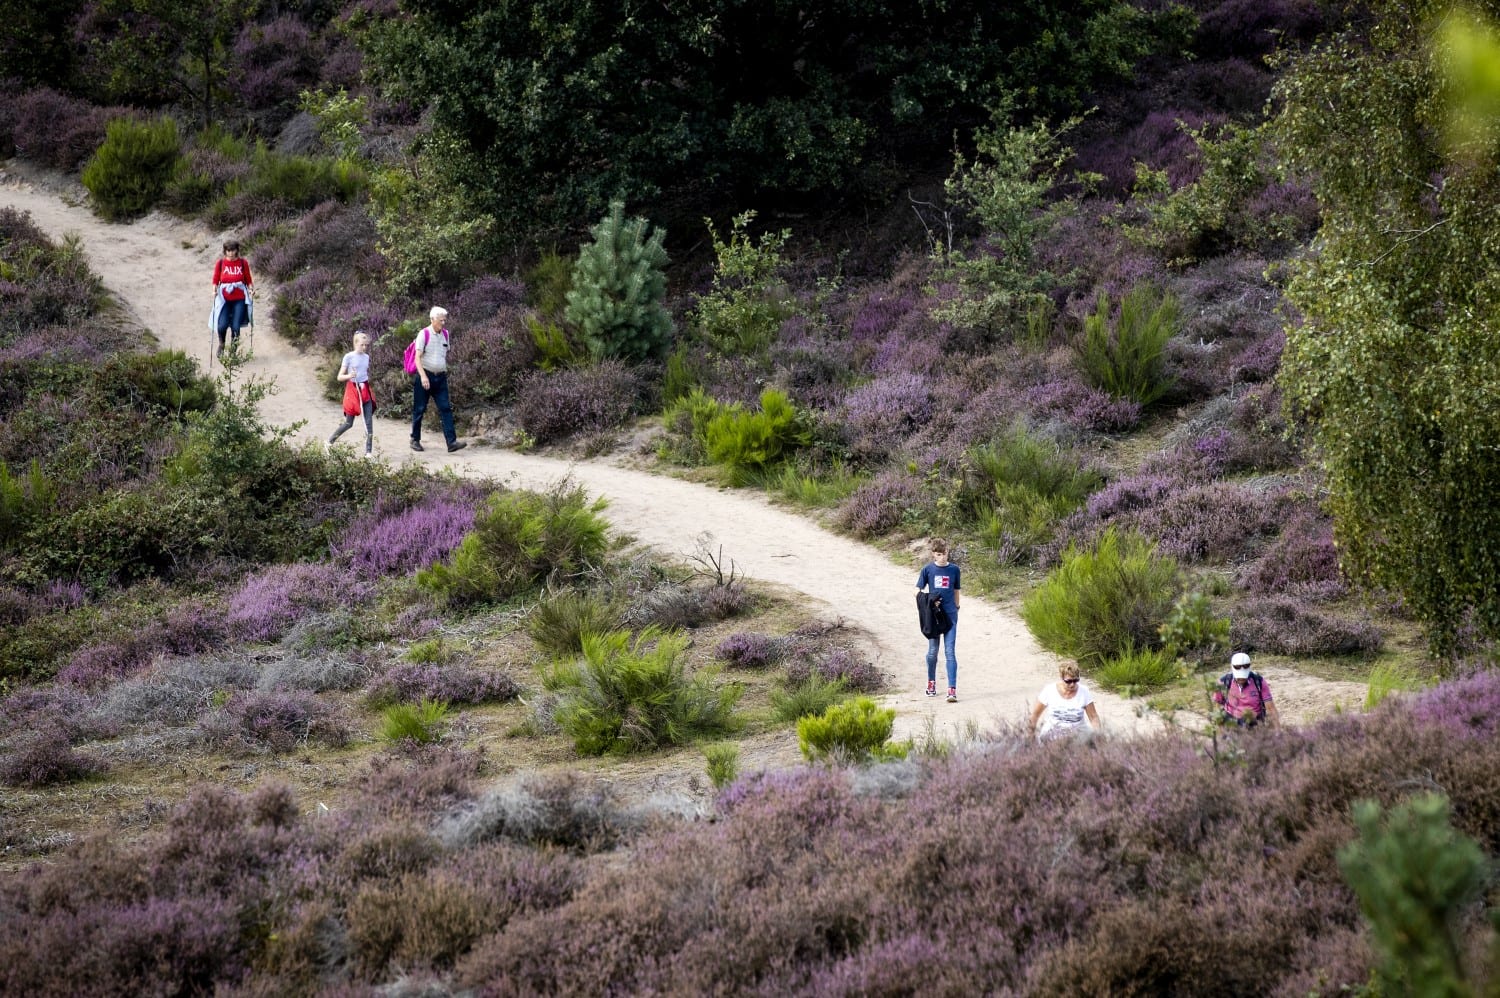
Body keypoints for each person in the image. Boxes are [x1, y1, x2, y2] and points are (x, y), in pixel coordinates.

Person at [410, 306, 466, 453]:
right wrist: (423, 376)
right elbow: (417, 358)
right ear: (432, 319)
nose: (443, 323)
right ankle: (415, 439)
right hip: (425, 376)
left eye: (444, 320)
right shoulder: (424, 334)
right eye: (441, 320)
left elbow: (444, 353)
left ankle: (451, 442)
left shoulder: (446, 334)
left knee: (445, 408)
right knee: (419, 409)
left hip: (440, 377)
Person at [915, 537, 960, 702]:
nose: (942, 557)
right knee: (933, 651)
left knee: (950, 652)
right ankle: (931, 683)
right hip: (934, 615)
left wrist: (957, 607)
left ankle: (952, 690)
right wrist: (929, 599)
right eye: (939, 554)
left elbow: (956, 590)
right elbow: (916, 590)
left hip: (950, 615)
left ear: (948, 551)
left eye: (945, 553)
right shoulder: (927, 570)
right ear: (933, 554)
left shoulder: (955, 570)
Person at [327, 331, 376, 458]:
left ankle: (368, 453)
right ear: (355, 344)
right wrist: (350, 376)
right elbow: (339, 377)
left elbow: (364, 373)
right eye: (362, 345)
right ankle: (329, 442)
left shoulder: (366, 357)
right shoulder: (348, 357)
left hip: (365, 389)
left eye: (366, 345)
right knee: (349, 423)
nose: (364, 348)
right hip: (353, 391)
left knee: (368, 422)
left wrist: (363, 382)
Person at [1030, 661, 1102, 742]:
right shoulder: (1049, 690)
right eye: (1068, 681)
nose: (1072, 684)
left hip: (1078, 735)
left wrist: (1097, 735)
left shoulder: (1084, 691)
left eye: (1075, 681)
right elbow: (1035, 715)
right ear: (1061, 678)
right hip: (1052, 734)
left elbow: (1093, 717)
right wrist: (1030, 736)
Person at [1212, 651, 1280, 728]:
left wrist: (1278, 733)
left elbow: (1271, 708)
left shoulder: (1259, 681)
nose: (1241, 679)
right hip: (1231, 723)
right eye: (1239, 677)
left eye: (1243, 677)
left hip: (1255, 724)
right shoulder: (1223, 682)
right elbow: (1217, 708)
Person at [211, 240, 253, 355]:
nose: (230, 253)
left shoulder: (243, 263)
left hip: (239, 299)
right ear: (225, 251)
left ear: (236, 250)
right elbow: (215, 279)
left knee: (235, 326)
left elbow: (248, 279)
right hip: (224, 299)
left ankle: (233, 351)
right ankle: (222, 344)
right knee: (222, 325)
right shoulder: (220, 263)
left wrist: (250, 289)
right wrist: (214, 290)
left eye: (233, 250)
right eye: (228, 250)